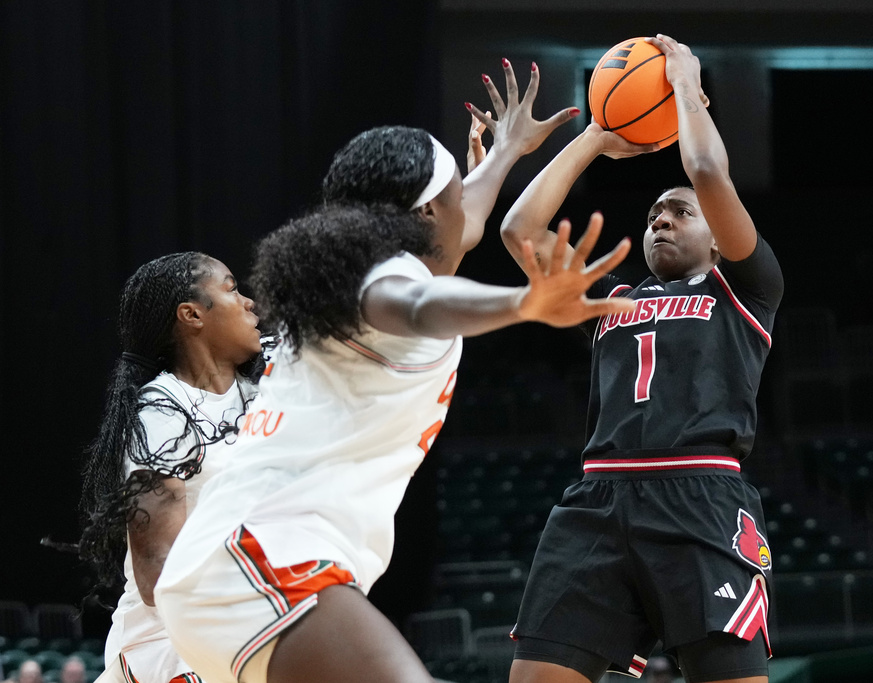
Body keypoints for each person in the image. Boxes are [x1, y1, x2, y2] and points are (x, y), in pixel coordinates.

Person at [153, 62, 636, 683]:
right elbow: (414, 306)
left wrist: (514, 148)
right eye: (457, 191)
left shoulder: (370, 263)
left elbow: (464, 225)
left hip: (241, 566)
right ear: (429, 212)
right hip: (261, 558)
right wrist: (521, 304)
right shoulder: (386, 281)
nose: (470, 197)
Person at [499, 35, 783, 683]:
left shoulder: (745, 287)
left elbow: (708, 173)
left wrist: (684, 81)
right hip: (597, 500)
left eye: (679, 212)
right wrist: (598, 135)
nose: (660, 218)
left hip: (702, 495)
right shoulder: (611, 299)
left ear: (719, 235)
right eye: (654, 212)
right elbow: (519, 231)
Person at [79, 251, 265, 683]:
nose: (249, 302)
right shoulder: (162, 412)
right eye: (232, 288)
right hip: (172, 644)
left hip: (246, 628)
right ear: (191, 314)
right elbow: (156, 573)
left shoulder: (268, 385)